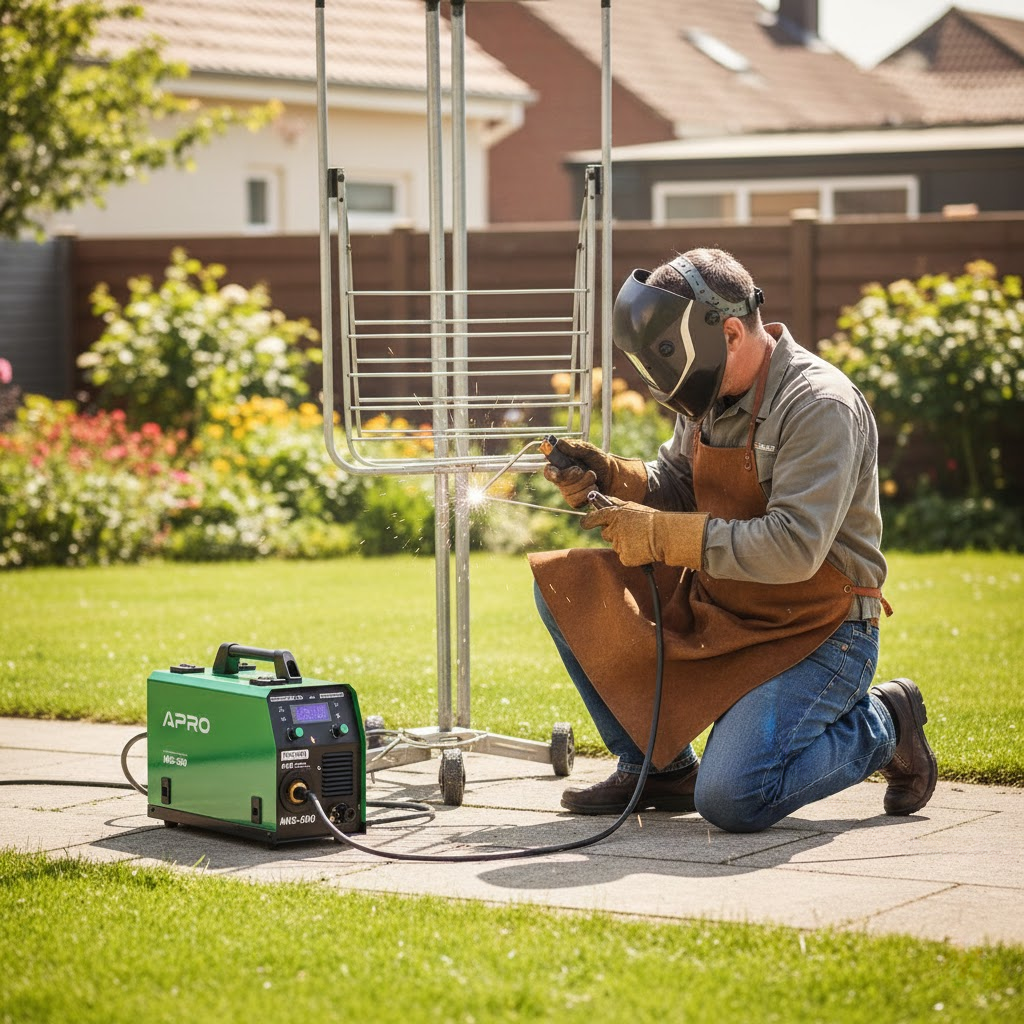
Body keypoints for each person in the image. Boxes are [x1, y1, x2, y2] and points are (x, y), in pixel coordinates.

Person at [531, 247, 936, 833]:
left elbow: (794, 547)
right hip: (724, 606)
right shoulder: (708, 394)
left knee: (732, 800)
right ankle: (659, 770)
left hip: (821, 630)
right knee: (567, 586)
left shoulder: (818, 405)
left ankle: (887, 722)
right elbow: (677, 485)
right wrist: (612, 476)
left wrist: (658, 535)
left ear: (729, 332)